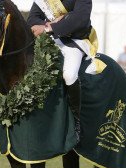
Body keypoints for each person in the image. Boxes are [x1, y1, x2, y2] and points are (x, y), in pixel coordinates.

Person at [27, 0, 95, 138]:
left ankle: (76, 121)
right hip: (51, 39)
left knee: (69, 75)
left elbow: (80, 19)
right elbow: (32, 19)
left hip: (75, 41)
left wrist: (50, 27)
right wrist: (51, 25)